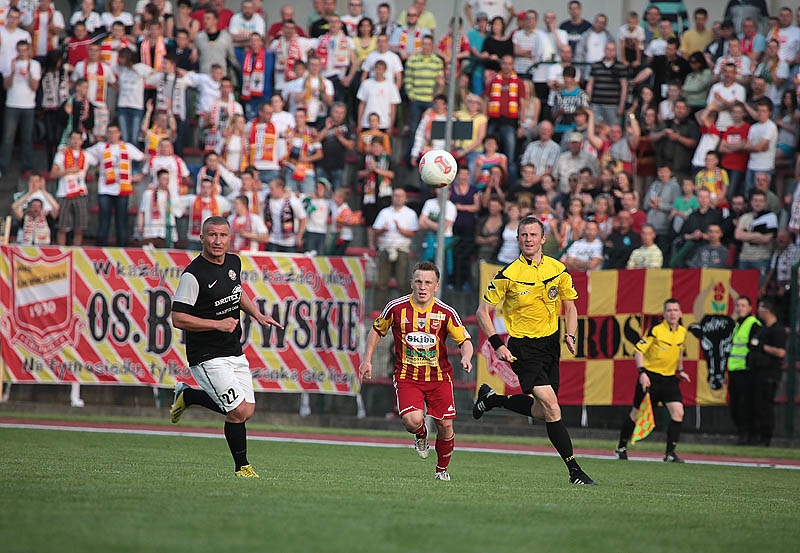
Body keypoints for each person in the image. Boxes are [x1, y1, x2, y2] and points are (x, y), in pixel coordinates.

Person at [473, 216, 596, 485]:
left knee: (543, 411)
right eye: (524, 235)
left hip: (550, 346)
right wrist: (497, 345)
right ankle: (574, 471)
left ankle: (493, 400)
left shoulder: (558, 269)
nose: (528, 239)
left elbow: (570, 306)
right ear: (517, 239)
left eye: (533, 235)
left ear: (543, 239)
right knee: (552, 407)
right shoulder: (507, 274)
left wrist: (570, 334)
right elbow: (483, 312)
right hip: (523, 348)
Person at [170, 216, 282, 478]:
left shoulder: (234, 262)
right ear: (202, 238)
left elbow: (237, 292)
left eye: (222, 235)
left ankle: (189, 396)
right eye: (212, 235)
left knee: (247, 411)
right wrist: (216, 324)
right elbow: (178, 318)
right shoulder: (193, 275)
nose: (217, 241)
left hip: (233, 349)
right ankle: (242, 468)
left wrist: (257, 314)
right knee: (237, 411)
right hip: (206, 355)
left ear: (230, 238)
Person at [360, 261, 473, 481]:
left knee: (445, 426)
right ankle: (421, 434)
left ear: (436, 286)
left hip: (439, 379)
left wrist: (466, 357)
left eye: (428, 282)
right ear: (411, 283)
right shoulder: (396, 307)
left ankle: (441, 471)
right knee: (412, 420)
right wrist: (367, 360)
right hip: (407, 377)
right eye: (419, 281)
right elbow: (376, 330)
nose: (423, 287)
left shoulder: (446, 312)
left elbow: (465, 340)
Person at [616, 298, 691, 462]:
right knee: (636, 414)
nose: (672, 313)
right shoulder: (655, 330)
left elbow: (679, 352)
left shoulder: (682, 332)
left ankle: (670, 453)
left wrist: (680, 370)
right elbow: (638, 351)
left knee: (678, 412)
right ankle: (621, 447)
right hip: (651, 378)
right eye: (669, 310)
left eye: (675, 310)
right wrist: (642, 373)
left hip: (669, 379)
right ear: (664, 314)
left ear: (680, 313)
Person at [86, 124, 145, 247]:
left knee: (122, 219)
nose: (112, 135)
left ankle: (122, 247)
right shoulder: (100, 147)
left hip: (122, 188)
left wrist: (141, 175)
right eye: (109, 132)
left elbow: (143, 158)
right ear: (106, 134)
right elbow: (85, 155)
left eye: (114, 132)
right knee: (104, 219)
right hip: (105, 188)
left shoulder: (127, 147)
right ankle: (101, 247)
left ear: (119, 134)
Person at [748, 297, 787, 447]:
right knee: (757, 405)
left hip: (769, 373)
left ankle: (766, 438)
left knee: (765, 406)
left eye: (760, 309)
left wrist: (762, 346)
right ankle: (757, 436)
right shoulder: (762, 328)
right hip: (758, 372)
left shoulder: (778, 330)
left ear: (768, 310)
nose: (758, 312)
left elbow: (781, 352)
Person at [372, 187, 419, 309]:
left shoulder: (410, 213)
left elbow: (413, 233)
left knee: (402, 282)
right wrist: (383, 230)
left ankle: (405, 310)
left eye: (400, 196)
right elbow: (376, 230)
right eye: (395, 195)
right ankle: (379, 310)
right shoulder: (384, 212)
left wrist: (400, 230)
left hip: (401, 249)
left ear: (405, 199)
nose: (397, 198)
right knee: (382, 282)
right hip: (386, 248)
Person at [0, 40, 40, 177]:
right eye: (20, 50)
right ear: (17, 51)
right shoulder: (10, 63)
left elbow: (35, 86)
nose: (22, 53)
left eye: (25, 50)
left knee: (27, 138)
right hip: (12, 104)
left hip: (28, 105)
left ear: (29, 51)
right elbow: (6, 86)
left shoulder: (35, 65)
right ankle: (3, 167)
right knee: (7, 138)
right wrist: (12, 72)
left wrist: (29, 72)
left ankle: (27, 167)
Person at [727, 296, 761, 444]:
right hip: (734, 370)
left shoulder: (753, 324)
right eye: (738, 305)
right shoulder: (738, 325)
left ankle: (747, 435)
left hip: (746, 371)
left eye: (743, 305)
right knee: (735, 404)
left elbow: (755, 348)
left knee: (744, 405)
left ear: (750, 308)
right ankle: (743, 433)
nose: (740, 308)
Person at [735, 189, 777, 283]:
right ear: (751, 202)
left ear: (765, 203)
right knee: (742, 287)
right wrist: (758, 235)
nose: (758, 203)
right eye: (755, 200)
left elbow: (766, 239)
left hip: (761, 259)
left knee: (759, 288)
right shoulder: (745, 217)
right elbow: (737, 235)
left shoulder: (771, 217)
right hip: (744, 258)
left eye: (761, 201)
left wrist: (746, 235)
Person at [264, 177, 307, 253]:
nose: (270, 191)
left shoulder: (293, 201)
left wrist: (299, 237)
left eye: (272, 189)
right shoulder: (268, 198)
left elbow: (303, 219)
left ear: (280, 188)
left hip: (289, 242)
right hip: (273, 240)